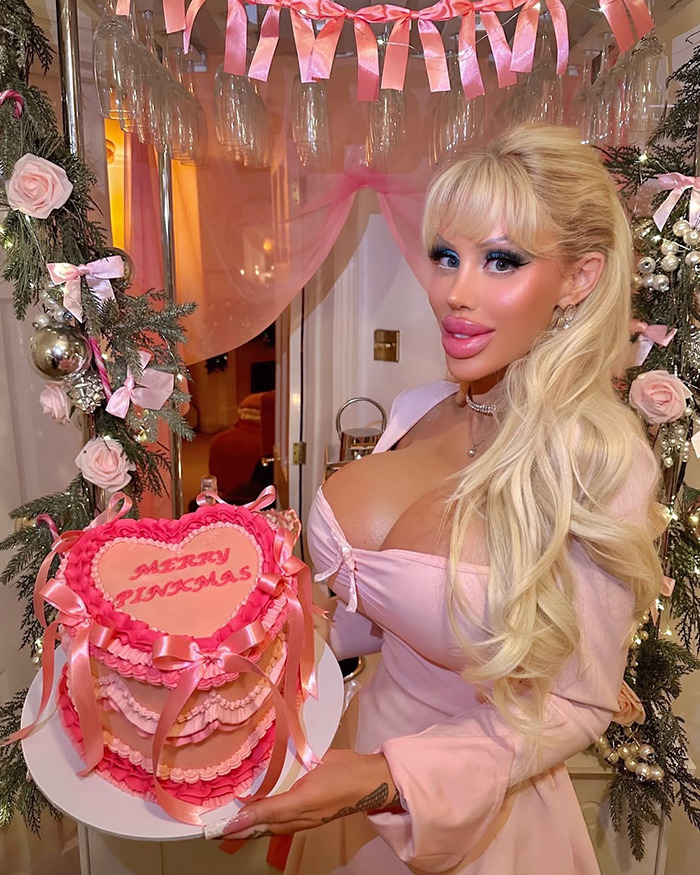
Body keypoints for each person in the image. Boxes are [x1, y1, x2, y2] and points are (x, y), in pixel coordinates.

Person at [206, 124, 665, 874]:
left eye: (501, 261)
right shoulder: (417, 408)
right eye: (446, 256)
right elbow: (383, 615)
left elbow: (579, 704)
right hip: (352, 761)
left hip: (475, 816)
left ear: (580, 278)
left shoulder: (600, 465)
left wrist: (389, 779)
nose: (455, 291)